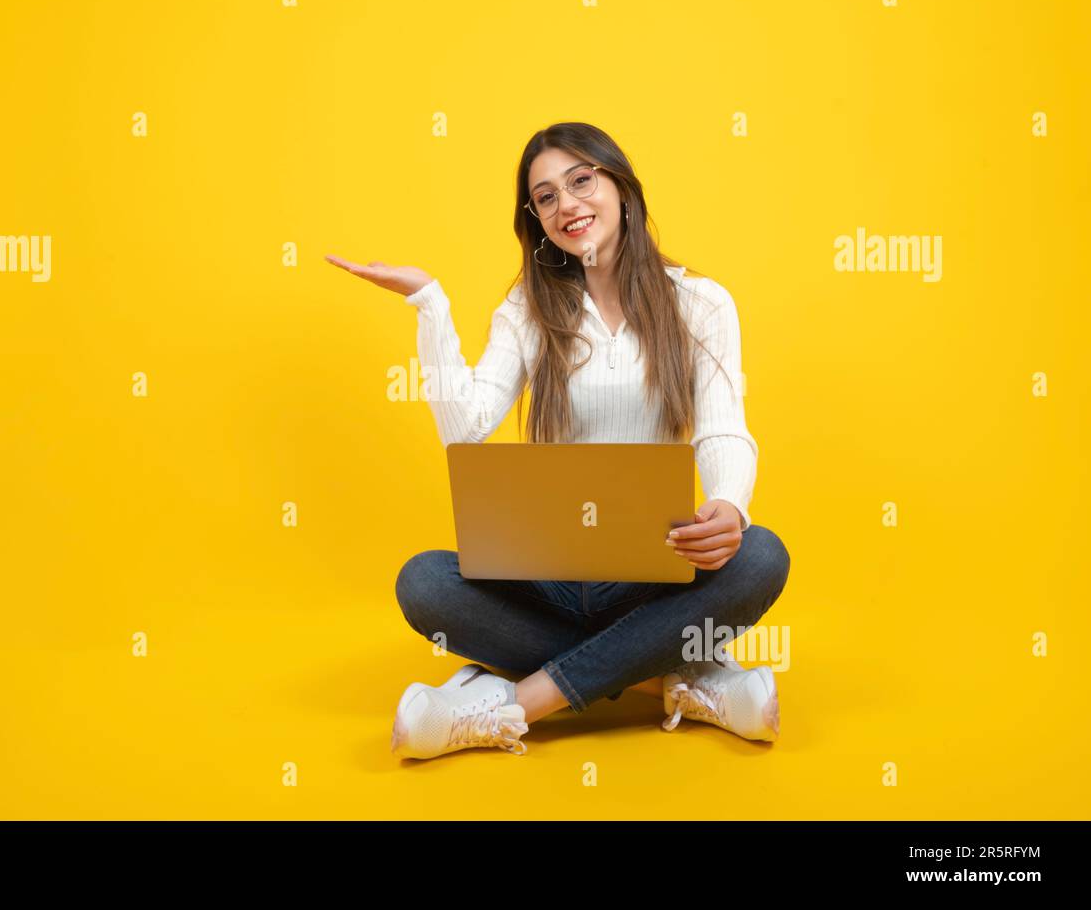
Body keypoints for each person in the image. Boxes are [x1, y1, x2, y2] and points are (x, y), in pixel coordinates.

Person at [324, 121, 790, 761]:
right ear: (535, 218)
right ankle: (672, 678)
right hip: (549, 576)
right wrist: (429, 305)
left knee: (761, 555)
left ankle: (512, 704)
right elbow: (466, 428)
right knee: (423, 582)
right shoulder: (527, 309)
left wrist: (729, 507)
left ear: (621, 187)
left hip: (653, 576)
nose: (566, 205)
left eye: (581, 181)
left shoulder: (701, 303)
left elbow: (723, 427)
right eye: (545, 197)